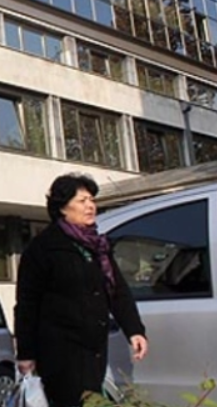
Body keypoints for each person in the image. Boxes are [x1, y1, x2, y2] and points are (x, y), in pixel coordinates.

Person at [14, 173, 148, 407]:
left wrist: (134, 330)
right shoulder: (43, 248)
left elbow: (117, 291)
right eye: (82, 201)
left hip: (94, 349)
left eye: (92, 200)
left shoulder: (98, 246)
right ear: (62, 208)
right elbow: (27, 304)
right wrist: (26, 353)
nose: (90, 206)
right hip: (60, 353)